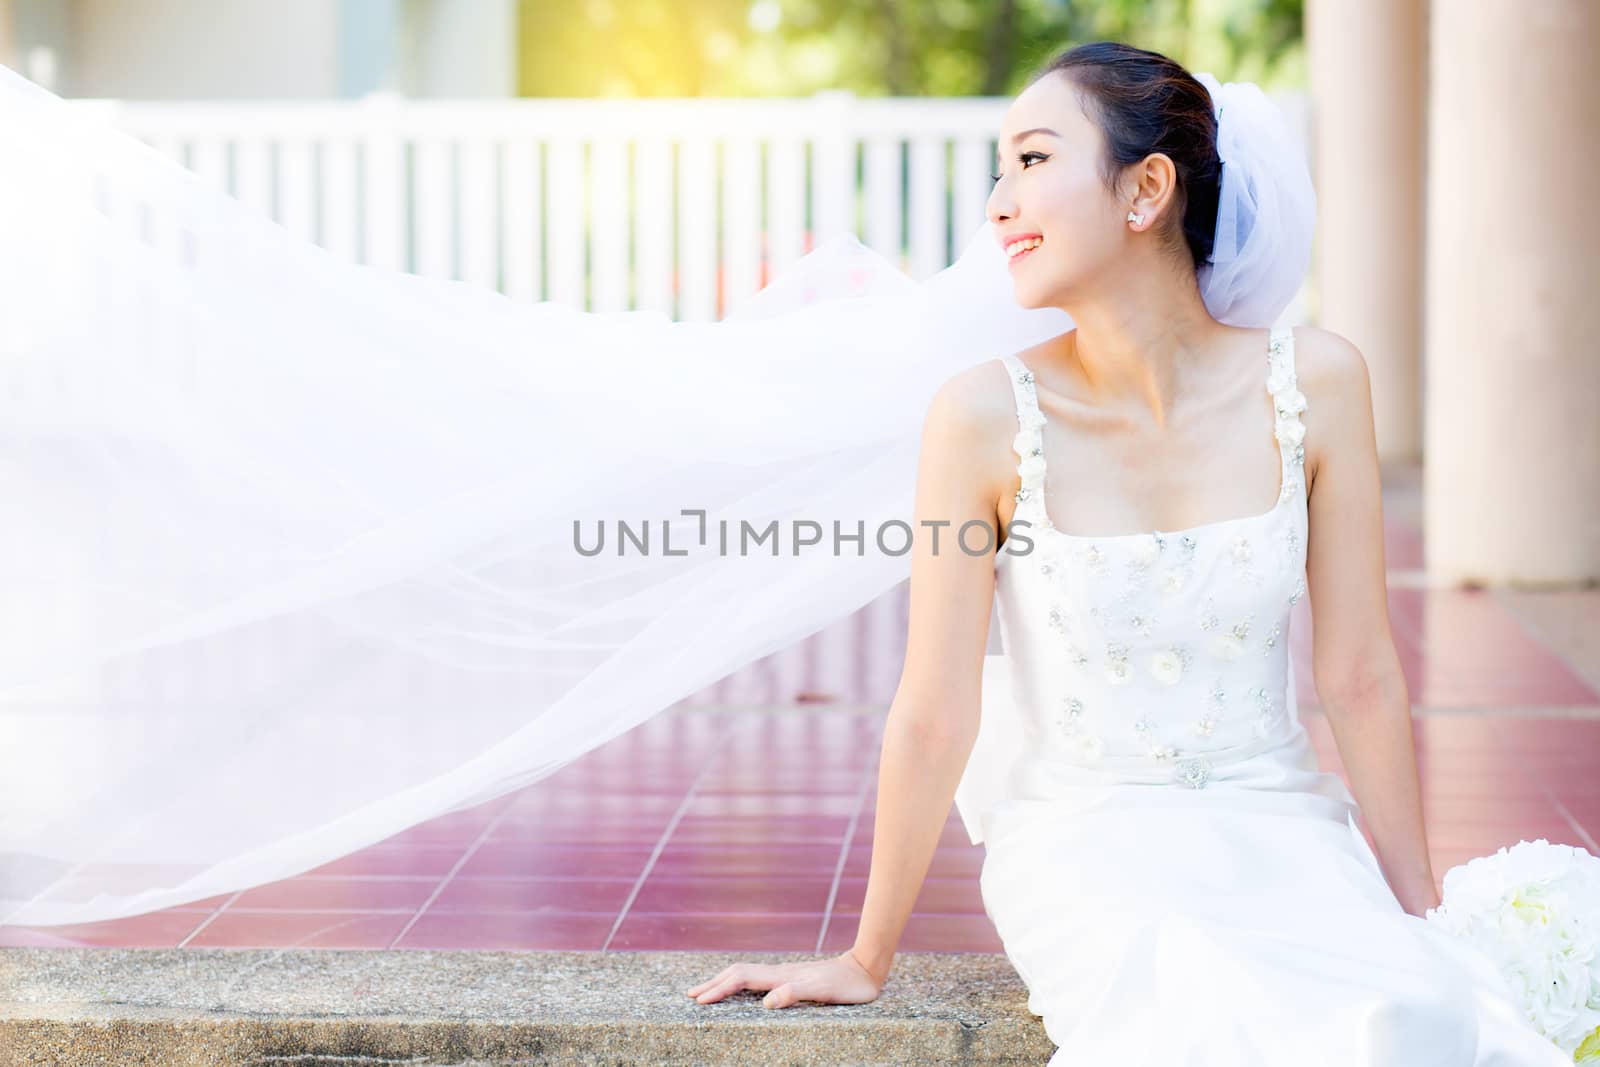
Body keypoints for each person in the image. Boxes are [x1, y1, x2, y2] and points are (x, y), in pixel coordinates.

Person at [683, 42, 1572, 1066]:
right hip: (1086, 840)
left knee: (1408, 1011)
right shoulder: (978, 415)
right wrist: (865, 952)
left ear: (1146, 188)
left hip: (1283, 823)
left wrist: (1423, 913)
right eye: (1001, 169)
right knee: (1201, 997)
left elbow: (1360, 671)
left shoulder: (1319, 382)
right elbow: (934, 710)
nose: (998, 204)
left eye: (1031, 160)